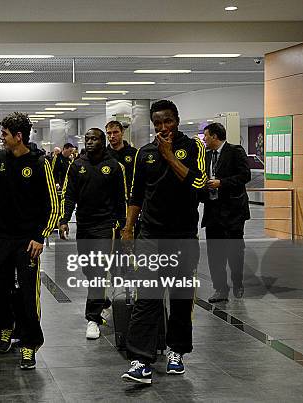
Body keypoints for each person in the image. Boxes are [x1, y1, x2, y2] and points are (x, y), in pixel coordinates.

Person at [120, 100, 207, 384]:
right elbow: (136, 195)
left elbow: (198, 183)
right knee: (148, 297)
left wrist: (170, 156)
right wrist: (129, 229)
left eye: (167, 121)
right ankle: (140, 360)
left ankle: (176, 351)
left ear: (177, 120)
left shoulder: (194, 148)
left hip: (182, 236)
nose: (162, 128)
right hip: (150, 236)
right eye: (157, 123)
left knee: (180, 299)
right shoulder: (144, 154)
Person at [0, 112, 59, 370]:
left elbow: (53, 206)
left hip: (27, 241)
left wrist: (40, 237)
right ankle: (6, 328)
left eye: (5, 134)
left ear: (18, 137)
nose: (2, 138)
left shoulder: (40, 164)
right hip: (1, 238)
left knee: (28, 295)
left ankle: (29, 344)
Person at [59, 127, 127, 340]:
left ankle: (93, 318)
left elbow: (120, 198)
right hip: (84, 225)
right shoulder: (77, 164)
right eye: (87, 139)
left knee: (98, 271)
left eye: (94, 139)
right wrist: (63, 219)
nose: (89, 142)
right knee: (89, 270)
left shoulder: (114, 166)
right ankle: (102, 301)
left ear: (102, 141)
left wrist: (124, 225)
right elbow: (69, 195)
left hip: (105, 226)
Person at [201, 122, 251, 303]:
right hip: (213, 211)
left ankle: (237, 283)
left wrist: (221, 182)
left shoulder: (235, 151)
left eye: (206, 135)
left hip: (233, 213)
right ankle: (220, 289)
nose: (204, 139)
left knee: (235, 251)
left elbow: (245, 176)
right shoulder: (206, 156)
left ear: (215, 136)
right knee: (215, 253)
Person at [106, 120, 138, 199]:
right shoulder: (103, 154)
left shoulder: (133, 153)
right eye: (109, 133)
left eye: (116, 132)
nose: (112, 136)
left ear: (122, 132)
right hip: (109, 199)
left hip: (130, 198)